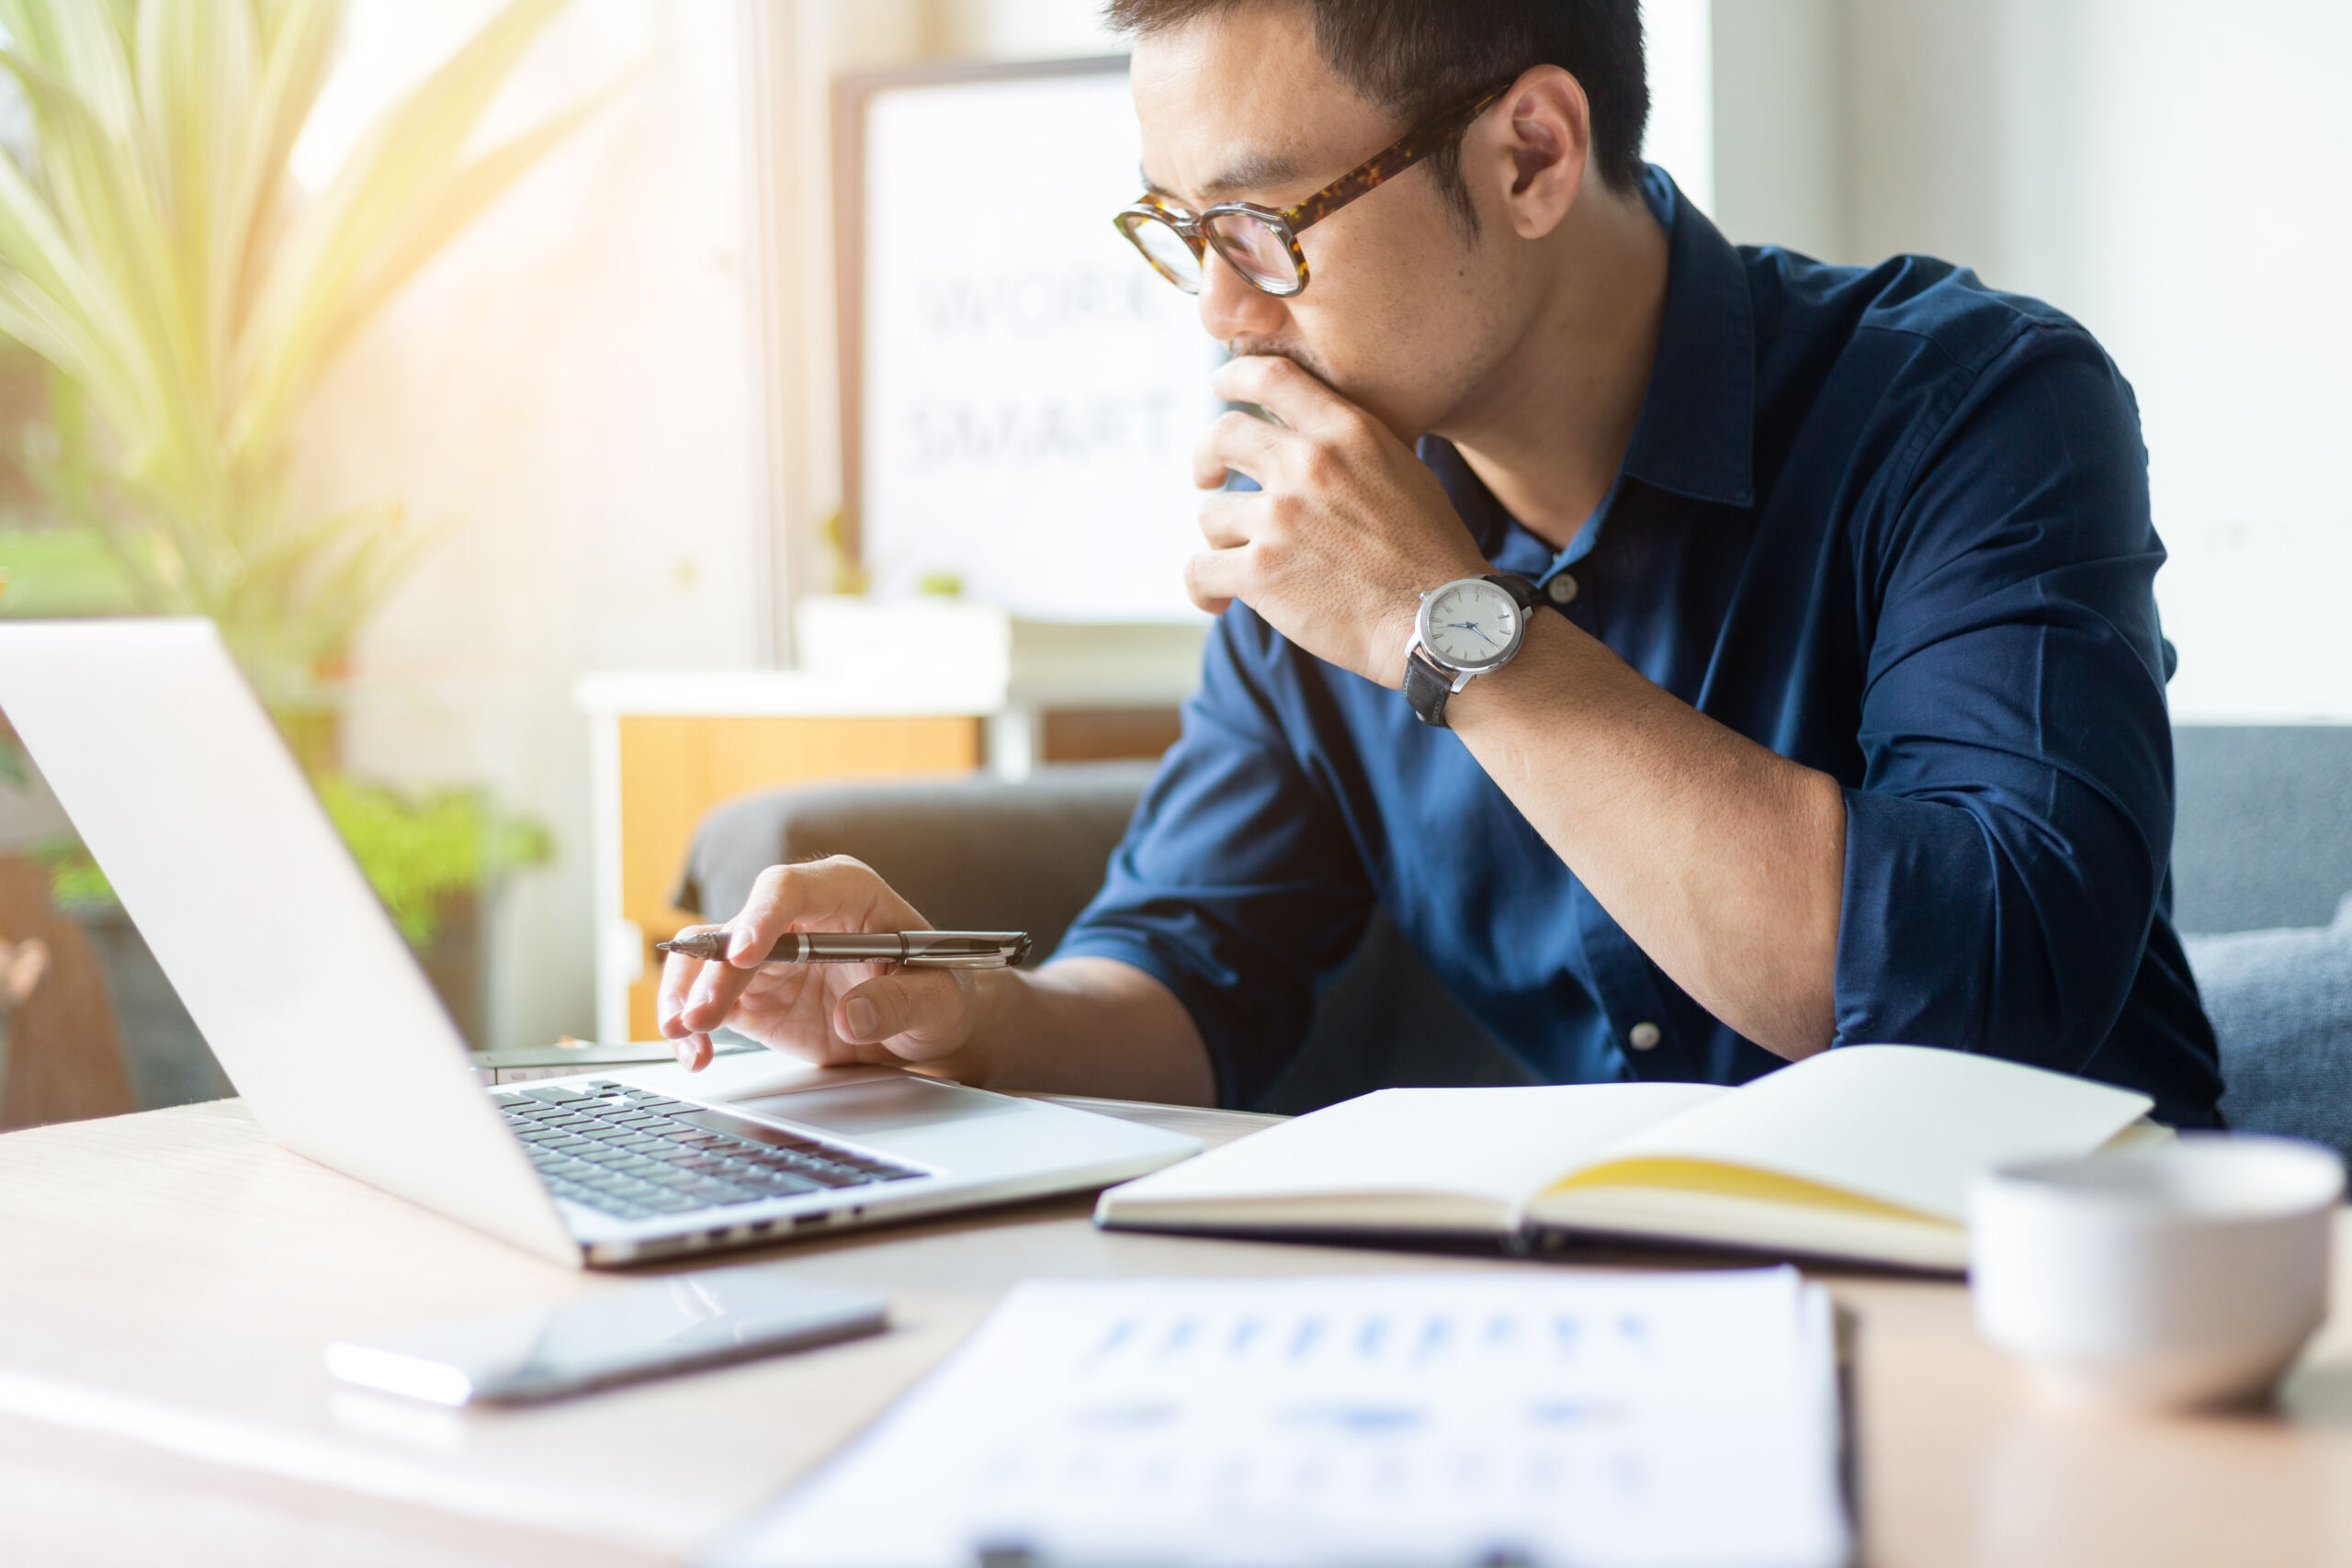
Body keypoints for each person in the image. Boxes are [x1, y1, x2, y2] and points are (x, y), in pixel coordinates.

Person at [661, 0, 2222, 1127]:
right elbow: (1191, 974)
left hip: (2056, 1327)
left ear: (1533, 153)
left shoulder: (1974, 405)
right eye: (1176, 227)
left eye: (1262, 222)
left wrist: (1436, 622)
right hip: (1621, 1337)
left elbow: (1983, 982)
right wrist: (951, 1013)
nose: (1217, 310)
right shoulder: (1335, 504)